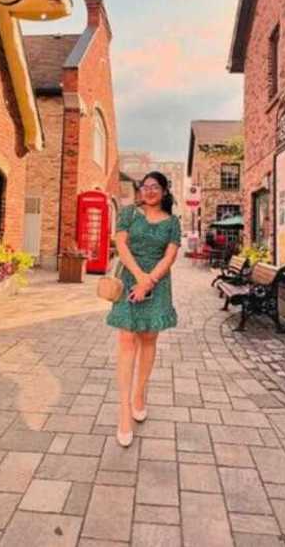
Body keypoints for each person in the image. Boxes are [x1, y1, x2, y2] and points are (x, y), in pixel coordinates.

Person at [106, 172, 181, 447]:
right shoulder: (128, 213)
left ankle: (140, 394)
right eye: (145, 186)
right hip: (129, 280)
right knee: (126, 340)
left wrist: (149, 282)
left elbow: (170, 256)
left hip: (157, 283)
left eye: (155, 187)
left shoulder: (173, 222)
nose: (149, 191)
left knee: (148, 338)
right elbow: (121, 245)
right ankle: (124, 410)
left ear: (164, 191)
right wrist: (139, 276)